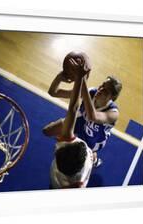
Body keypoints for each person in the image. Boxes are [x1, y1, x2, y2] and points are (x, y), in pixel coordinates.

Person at [43, 53, 122, 167]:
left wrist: (81, 78)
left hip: (93, 139)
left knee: (73, 164)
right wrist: (60, 77)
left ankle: (93, 158)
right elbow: (53, 92)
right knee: (47, 131)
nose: (101, 89)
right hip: (79, 123)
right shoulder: (91, 92)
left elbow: (92, 116)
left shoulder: (113, 113)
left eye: (106, 90)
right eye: (102, 85)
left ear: (112, 97)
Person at [49, 55, 94, 189]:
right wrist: (81, 79)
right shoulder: (78, 186)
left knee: (47, 130)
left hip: (57, 181)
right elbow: (88, 114)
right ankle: (95, 158)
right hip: (86, 132)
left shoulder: (63, 150)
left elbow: (73, 108)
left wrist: (78, 78)